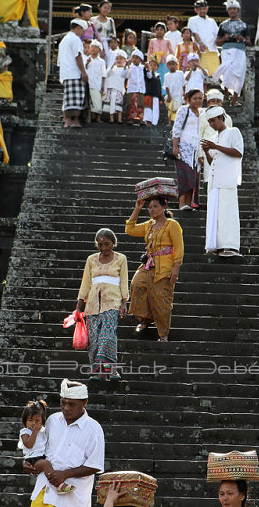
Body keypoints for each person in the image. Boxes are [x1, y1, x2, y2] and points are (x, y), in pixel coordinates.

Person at [126, 196, 184, 341]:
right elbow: (130, 229)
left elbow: (179, 247)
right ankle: (146, 318)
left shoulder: (172, 224)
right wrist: (137, 208)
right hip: (148, 265)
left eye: (155, 206)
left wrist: (176, 267)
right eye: (150, 207)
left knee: (161, 298)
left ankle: (163, 334)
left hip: (165, 267)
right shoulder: (148, 225)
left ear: (164, 207)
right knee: (137, 285)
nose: (152, 209)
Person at [76, 228, 129, 380]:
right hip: (92, 304)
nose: (104, 248)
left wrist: (124, 302)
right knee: (94, 340)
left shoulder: (121, 259)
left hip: (112, 303)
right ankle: (99, 373)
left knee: (107, 336)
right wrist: (79, 305)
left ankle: (111, 371)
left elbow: (124, 281)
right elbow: (85, 283)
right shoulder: (91, 260)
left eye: (107, 244)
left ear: (113, 243)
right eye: (100, 245)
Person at [202, 106, 244, 257]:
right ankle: (215, 246)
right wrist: (207, 150)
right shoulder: (213, 138)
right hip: (214, 181)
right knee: (214, 214)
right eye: (209, 122)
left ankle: (231, 246)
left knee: (228, 212)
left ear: (222, 117)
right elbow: (212, 159)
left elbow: (238, 152)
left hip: (227, 179)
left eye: (213, 121)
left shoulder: (234, 132)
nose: (211, 124)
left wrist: (215, 146)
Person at [213, 0, 251, 106]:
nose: (232, 11)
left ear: (237, 10)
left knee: (239, 74)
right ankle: (226, 95)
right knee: (226, 73)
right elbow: (217, 42)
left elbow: (249, 41)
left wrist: (242, 39)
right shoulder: (223, 25)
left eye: (234, 9)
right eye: (230, 9)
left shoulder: (243, 25)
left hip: (239, 52)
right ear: (227, 11)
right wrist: (224, 38)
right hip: (227, 51)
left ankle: (234, 99)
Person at [172, 88, 204, 210]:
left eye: (200, 98)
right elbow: (177, 128)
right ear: (189, 99)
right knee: (184, 175)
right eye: (195, 98)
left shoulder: (203, 113)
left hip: (197, 149)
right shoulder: (184, 110)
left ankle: (190, 203)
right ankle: (181, 204)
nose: (197, 101)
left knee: (194, 176)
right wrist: (175, 146)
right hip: (184, 147)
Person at [57, 18, 89, 128]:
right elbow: (78, 57)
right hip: (74, 72)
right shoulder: (75, 39)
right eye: (82, 30)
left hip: (66, 72)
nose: (82, 33)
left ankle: (68, 120)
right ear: (78, 28)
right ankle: (73, 120)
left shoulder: (64, 40)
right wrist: (83, 72)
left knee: (69, 98)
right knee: (75, 98)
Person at [198, 89, 233, 183]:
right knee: (209, 177)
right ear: (208, 102)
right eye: (213, 101)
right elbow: (199, 135)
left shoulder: (227, 118)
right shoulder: (203, 117)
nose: (216, 103)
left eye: (218, 101)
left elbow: (230, 136)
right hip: (208, 150)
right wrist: (200, 153)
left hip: (223, 150)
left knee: (222, 178)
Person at [187, 0, 220, 77]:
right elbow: (194, 33)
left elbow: (217, 34)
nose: (202, 10)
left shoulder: (212, 21)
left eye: (204, 8)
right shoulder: (192, 20)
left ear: (207, 8)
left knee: (214, 75)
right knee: (201, 75)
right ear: (196, 10)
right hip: (200, 51)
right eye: (199, 8)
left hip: (213, 50)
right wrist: (200, 43)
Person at [102, 51, 130, 122]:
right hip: (111, 88)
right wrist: (112, 65)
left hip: (119, 89)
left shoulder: (124, 69)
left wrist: (127, 66)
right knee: (111, 104)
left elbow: (128, 75)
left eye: (121, 58)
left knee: (118, 105)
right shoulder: (113, 68)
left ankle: (119, 119)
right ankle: (111, 119)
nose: (119, 60)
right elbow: (107, 74)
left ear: (124, 60)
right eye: (117, 58)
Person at [147, 22, 174, 92]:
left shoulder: (167, 41)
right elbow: (149, 51)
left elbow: (171, 52)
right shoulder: (152, 41)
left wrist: (171, 60)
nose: (159, 31)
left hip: (164, 62)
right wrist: (149, 61)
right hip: (155, 63)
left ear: (165, 31)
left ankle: (163, 92)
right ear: (154, 31)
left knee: (163, 77)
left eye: (161, 29)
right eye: (157, 29)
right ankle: (155, 91)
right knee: (154, 77)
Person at [86, 40, 107, 122]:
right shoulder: (87, 59)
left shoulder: (101, 61)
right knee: (89, 101)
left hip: (96, 84)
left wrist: (102, 85)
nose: (93, 49)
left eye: (96, 47)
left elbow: (103, 75)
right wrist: (87, 63)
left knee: (97, 101)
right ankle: (90, 117)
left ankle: (98, 118)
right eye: (92, 47)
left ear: (99, 50)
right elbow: (84, 69)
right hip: (88, 83)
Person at [164, 55, 185, 125]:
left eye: (173, 64)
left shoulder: (180, 73)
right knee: (170, 109)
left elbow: (183, 84)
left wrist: (184, 92)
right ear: (167, 66)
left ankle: (178, 122)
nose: (172, 66)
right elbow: (166, 87)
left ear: (176, 65)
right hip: (171, 95)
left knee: (179, 109)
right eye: (170, 64)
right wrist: (169, 95)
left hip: (179, 94)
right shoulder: (166, 75)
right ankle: (169, 122)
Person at [126, 49, 146, 124]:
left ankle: (140, 119)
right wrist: (126, 67)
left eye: (137, 58)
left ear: (140, 60)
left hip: (140, 89)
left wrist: (148, 69)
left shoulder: (143, 68)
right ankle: (130, 118)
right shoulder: (130, 67)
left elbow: (149, 76)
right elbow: (125, 75)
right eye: (133, 57)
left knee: (140, 104)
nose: (134, 59)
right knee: (131, 104)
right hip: (132, 88)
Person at [144, 56, 162, 125]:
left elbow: (159, 88)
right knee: (148, 109)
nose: (152, 67)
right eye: (151, 65)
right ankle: (147, 121)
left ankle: (154, 123)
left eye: (154, 65)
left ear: (157, 67)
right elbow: (148, 76)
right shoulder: (147, 74)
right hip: (148, 95)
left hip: (155, 97)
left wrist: (160, 98)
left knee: (155, 110)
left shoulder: (157, 76)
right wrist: (147, 69)